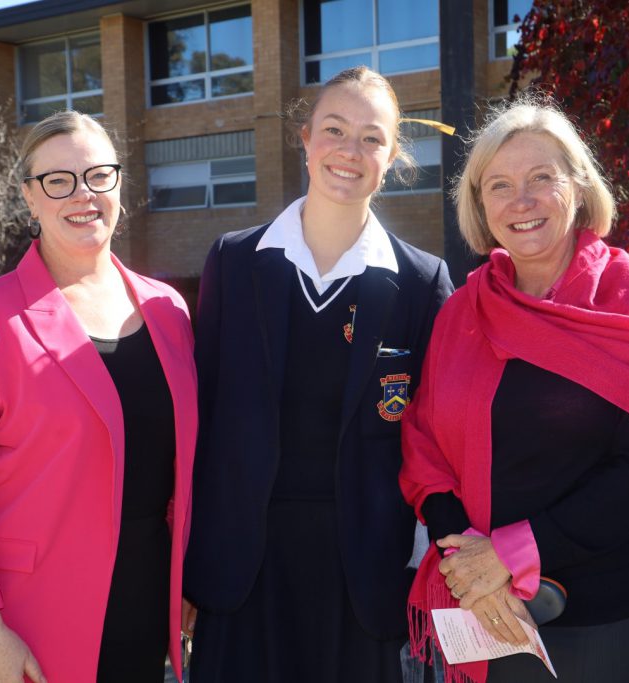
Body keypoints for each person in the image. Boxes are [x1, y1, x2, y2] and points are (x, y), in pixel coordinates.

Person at [399, 97, 629, 683]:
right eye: (499, 185)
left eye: (542, 177)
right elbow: (423, 445)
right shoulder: (462, 312)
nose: (521, 201)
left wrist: (508, 554)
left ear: (579, 185)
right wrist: (464, 556)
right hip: (493, 612)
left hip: (617, 615)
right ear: (480, 204)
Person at [182, 66, 453, 682]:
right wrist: (186, 566)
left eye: (372, 137)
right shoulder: (234, 261)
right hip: (241, 571)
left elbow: (435, 440)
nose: (349, 150)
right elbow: (202, 419)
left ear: (391, 157)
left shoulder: (421, 283)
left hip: (362, 578)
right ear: (304, 138)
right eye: (334, 129)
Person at [0, 110, 198, 683]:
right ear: (30, 197)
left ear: (119, 183)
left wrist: (188, 579)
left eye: (97, 175)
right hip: (26, 614)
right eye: (58, 180)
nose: (82, 194)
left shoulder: (168, 310)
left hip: (143, 602)